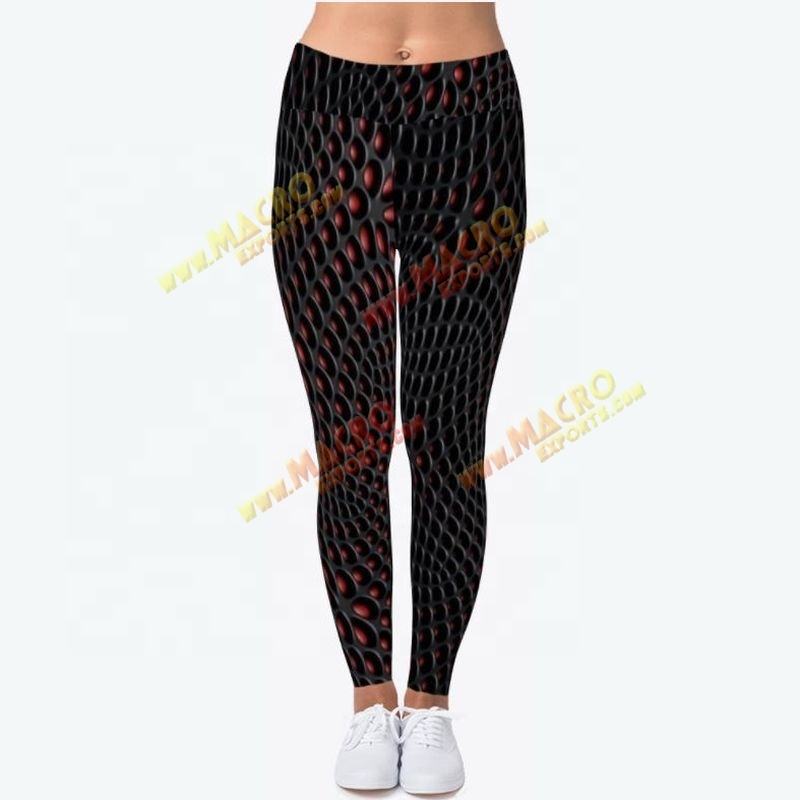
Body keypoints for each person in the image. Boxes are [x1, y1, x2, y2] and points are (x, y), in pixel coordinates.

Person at [270, 2, 527, 792]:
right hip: (331, 104)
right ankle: (370, 703)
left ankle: (431, 703)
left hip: (472, 109)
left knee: (448, 431)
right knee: (352, 435)